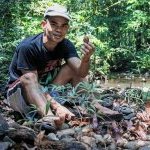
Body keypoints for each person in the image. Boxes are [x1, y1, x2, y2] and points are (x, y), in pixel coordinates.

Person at [6, 4, 120, 128]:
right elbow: (32, 83)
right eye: (54, 24)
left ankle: (95, 107)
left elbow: (81, 73)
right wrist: (57, 106)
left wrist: (86, 59)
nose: (59, 30)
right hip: (20, 95)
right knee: (28, 78)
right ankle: (48, 117)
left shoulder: (65, 45)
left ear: (67, 28)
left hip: (45, 92)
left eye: (63, 26)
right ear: (44, 25)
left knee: (72, 68)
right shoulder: (28, 47)